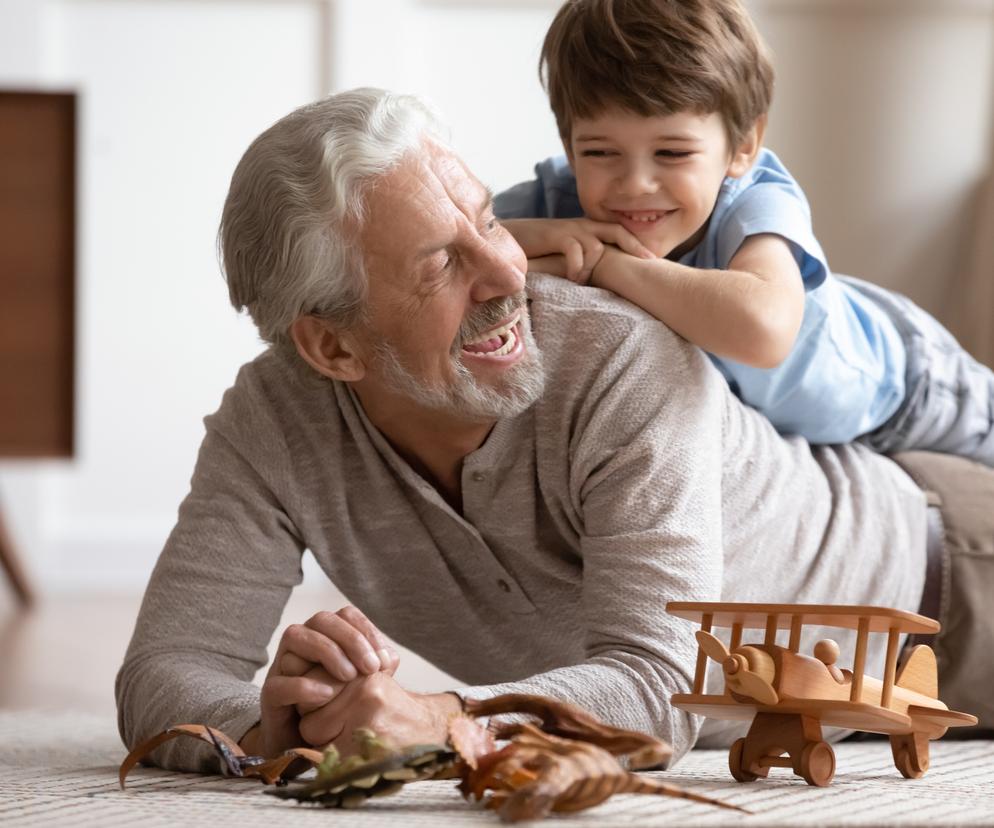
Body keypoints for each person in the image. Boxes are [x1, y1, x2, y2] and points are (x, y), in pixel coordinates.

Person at [116, 88, 994, 776]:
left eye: (488, 220)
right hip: (822, 686)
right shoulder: (272, 422)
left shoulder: (620, 359)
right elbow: (164, 670)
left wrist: (444, 719)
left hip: (949, 573)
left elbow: (659, 685)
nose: (508, 270)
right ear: (333, 345)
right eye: (439, 263)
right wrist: (269, 728)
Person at [496, 0, 994, 464]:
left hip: (905, 388)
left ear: (743, 145)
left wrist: (606, 264)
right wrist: (535, 238)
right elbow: (441, 249)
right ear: (568, 141)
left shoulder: (756, 198)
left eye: (672, 153)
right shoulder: (556, 199)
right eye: (600, 152)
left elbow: (763, 329)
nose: (635, 184)